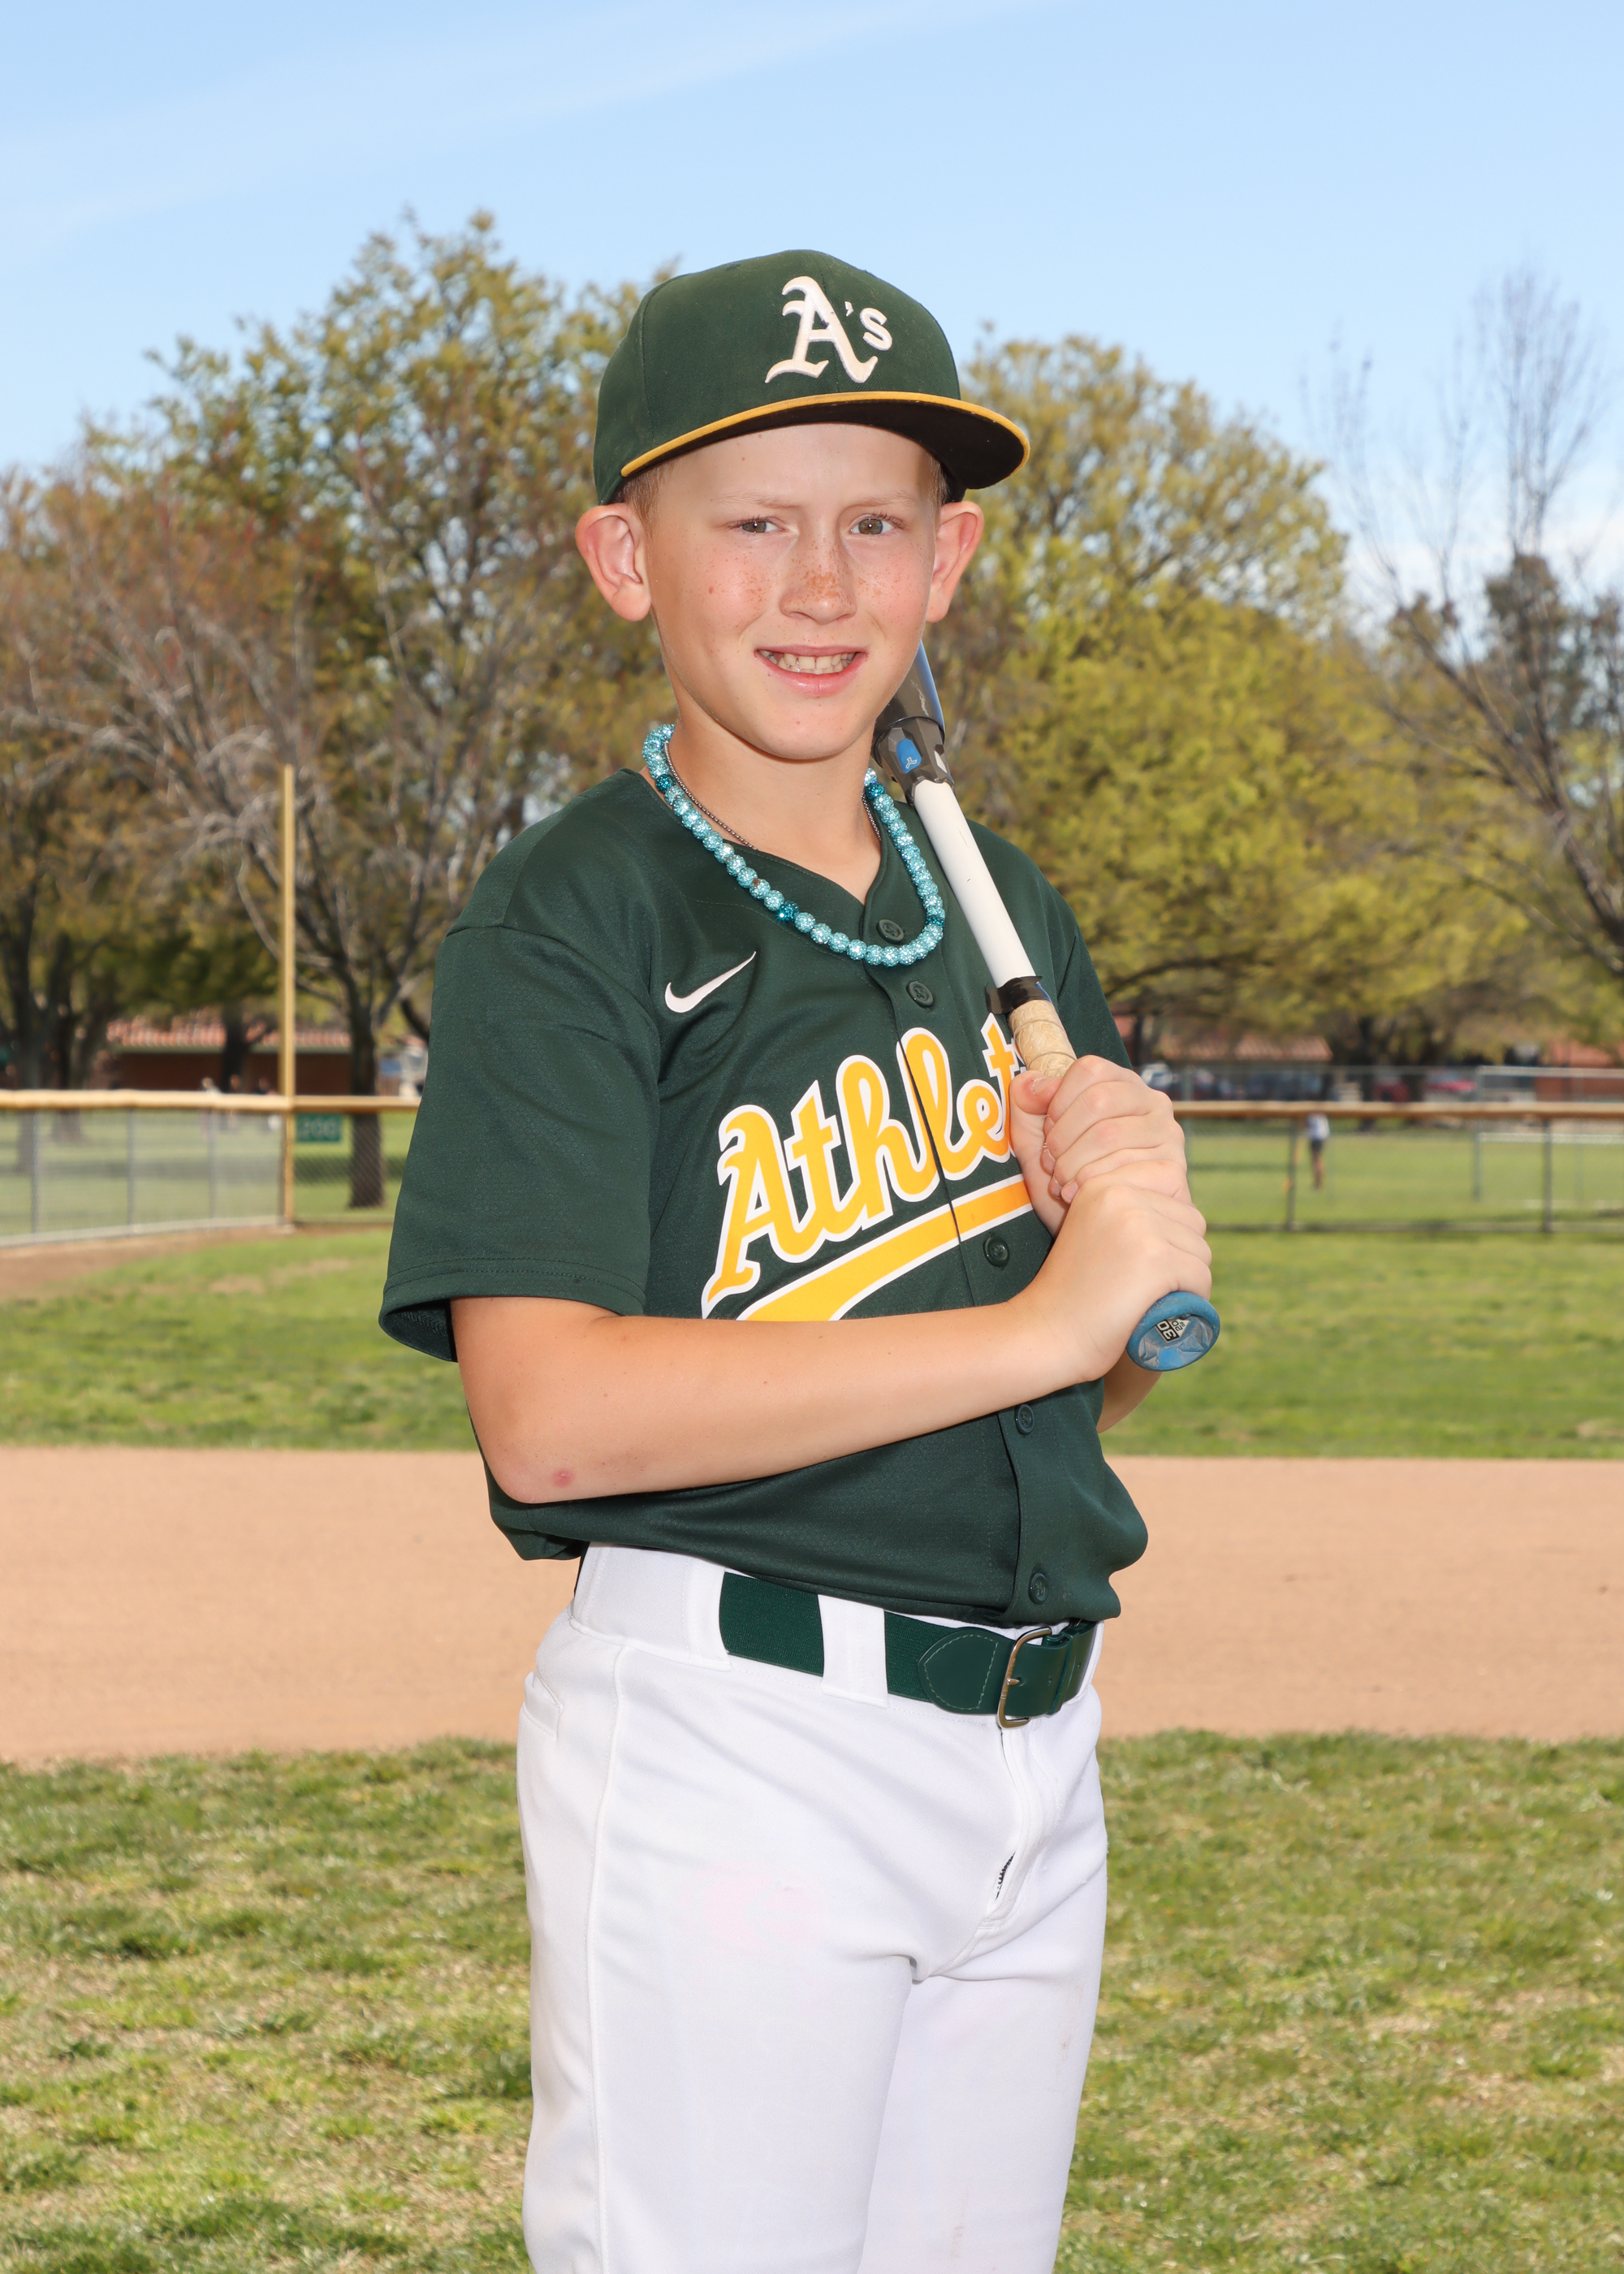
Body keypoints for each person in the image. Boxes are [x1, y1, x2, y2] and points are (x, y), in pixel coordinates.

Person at [380, 250, 1210, 2274]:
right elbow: (549, 1415)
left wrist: (1113, 1257)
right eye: (750, 524)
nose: (819, 583)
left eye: (874, 525)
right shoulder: (573, 912)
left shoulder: (992, 901)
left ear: (950, 559)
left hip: (1030, 1743)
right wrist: (1047, 1316)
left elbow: (1076, 1382)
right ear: (624, 558)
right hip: (740, 1752)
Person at [1306, 1107, 1331, 1189]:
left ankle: (1318, 1183)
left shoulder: (1315, 1111)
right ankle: (1318, 1182)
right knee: (1318, 1159)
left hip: (1316, 1137)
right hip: (1320, 1136)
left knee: (1316, 1160)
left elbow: (1310, 1123)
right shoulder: (1321, 1110)